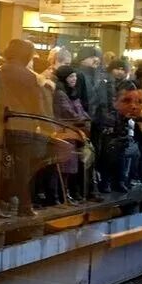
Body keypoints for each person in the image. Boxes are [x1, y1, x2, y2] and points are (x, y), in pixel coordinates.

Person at [0, 39, 46, 217]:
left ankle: (2, 200)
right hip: (25, 126)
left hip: (3, 126)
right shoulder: (30, 76)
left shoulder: (0, 72)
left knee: (2, 166)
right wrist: (39, 123)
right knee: (23, 168)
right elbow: (37, 105)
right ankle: (24, 205)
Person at [52, 65, 89, 204]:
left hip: (71, 133)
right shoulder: (61, 94)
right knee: (63, 167)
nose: (74, 79)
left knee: (68, 167)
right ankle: (61, 196)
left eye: (75, 76)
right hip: (64, 133)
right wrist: (83, 119)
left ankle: (65, 195)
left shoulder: (71, 92)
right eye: (71, 77)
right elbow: (70, 113)